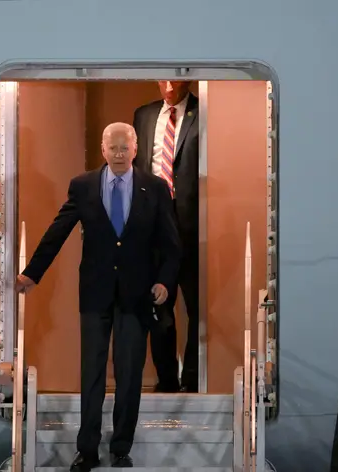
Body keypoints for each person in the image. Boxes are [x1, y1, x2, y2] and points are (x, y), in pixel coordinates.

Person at [16, 123, 180, 471]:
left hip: (138, 296)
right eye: (113, 148)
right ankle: (86, 450)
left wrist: (165, 281)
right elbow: (58, 231)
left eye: (125, 148)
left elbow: (171, 245)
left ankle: (121, 447)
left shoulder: (155, 187)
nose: (119, 154)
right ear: (103, 150)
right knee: (91, 371)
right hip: (95, 294)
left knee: (129, 372)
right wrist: (32, 272)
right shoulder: (83, 186)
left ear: (136, 149)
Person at [132, 80, 200, 393]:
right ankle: (168, 380)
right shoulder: (144, 115)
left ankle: (193, 378)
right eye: (162, 79)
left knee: (198, 304)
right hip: (154, 224)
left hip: (194, 224)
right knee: (159, 305)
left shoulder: (204, 112)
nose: (169, 86)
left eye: (175, 78)